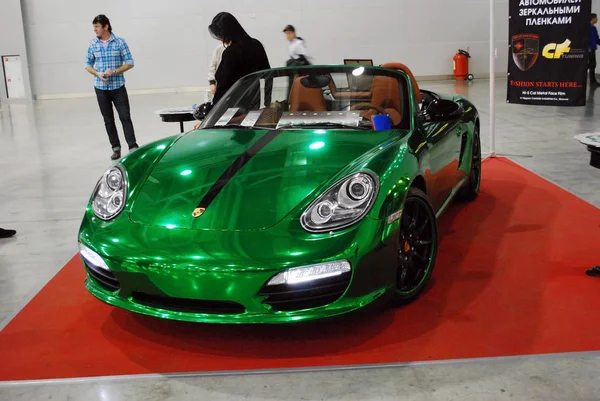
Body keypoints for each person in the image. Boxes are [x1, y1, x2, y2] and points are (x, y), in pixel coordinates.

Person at [85, 14, 139, 161]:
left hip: (118, 87)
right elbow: (87, 65)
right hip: (100, 88)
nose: (95, 30)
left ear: (105, 26)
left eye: (97, 27)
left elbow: (130, 62)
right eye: (94, 27)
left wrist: (115, 71)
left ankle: (133, 146)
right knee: (108, 120)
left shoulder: (120, 42)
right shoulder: (92, 44)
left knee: (125, 117)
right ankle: (115, 148)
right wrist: (97, 73)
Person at [208, 12, 271, 105]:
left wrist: (214, 109)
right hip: (255, 101)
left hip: (234, 105)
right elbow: (268, 75)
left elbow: (223, 85)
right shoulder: (257, 45)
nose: (220, 39)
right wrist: (267, 103)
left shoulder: (231, 52)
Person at [590, 13, 600, 86]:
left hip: (592, 49)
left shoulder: (594, 28)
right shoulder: (587, 28)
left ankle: (593, 81)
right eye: (596, 18)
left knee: (593, 65)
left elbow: (596, 39)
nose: (597, 19)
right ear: (592, 19)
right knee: (587, 65)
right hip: (588, 50)